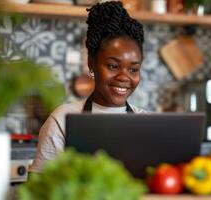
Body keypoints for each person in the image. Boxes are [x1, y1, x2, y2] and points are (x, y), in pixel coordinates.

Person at [29, 1, 146, 173]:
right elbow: (38, 190)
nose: (123, 77)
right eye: (113, 66)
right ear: (91, 65)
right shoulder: (62, 119)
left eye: (133, 69)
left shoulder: (148, 123)